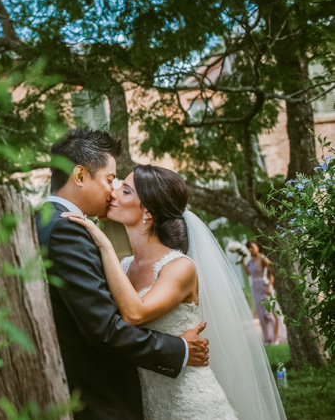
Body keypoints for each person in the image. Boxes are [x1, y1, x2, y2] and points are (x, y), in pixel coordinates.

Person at [65, 164, 286, 419]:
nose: (113, 194)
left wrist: (103, 244)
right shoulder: (124, 267)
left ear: (147, 211)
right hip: (150, 405)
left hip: (193, 405)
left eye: (125, 191)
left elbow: (134, 314)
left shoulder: (179, 267)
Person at [35, 129, 209, 419]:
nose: (112, 191)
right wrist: (179, 348)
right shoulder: (67, 230)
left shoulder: (45, 221)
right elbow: (104, 328)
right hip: (100, 397)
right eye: (110, 179)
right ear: (79, 176)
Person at [243, 240, 288, 345]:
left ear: (257, 246)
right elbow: (249, 273)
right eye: (248, 248)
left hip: (265, 286)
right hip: (256, 288)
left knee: (273, 312)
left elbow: (271, 274)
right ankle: (267, 337)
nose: (250, 249)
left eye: (252, 247)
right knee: (261, 314)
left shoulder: (263, 258)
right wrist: (243, 263)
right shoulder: (250, 261)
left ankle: (276, 337)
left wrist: (268, 287)